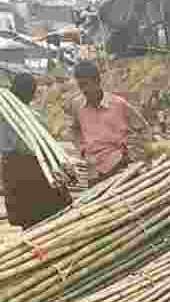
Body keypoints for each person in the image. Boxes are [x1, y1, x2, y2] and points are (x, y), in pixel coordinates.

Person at [0, 73, 72, 229]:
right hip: (32, 167)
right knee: (45, 212)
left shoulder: (6, 112)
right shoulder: (35, 118)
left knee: (27, 214)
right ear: (31, 93)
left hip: (12, 167)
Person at [68, 60, 150, 184]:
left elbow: (144, 130)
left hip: (120, 167)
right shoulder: (77, 105)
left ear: (97, 81)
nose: (83, 90)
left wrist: (134, 154)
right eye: (80, 86)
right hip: (93, 170)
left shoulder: (118, 104)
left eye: (85, 84)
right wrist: (82, 149)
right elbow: (74, 130)